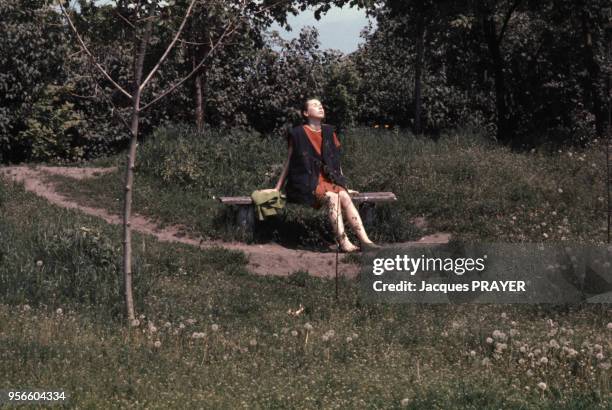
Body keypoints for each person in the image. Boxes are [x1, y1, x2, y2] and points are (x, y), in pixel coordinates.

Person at [273, 98, 379, 253]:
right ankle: (344, 242)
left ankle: (365, 241)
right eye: (315, 105)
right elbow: (289, 161)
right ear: (305, 113)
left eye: (321, 104)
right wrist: (277, 188)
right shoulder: (297, 133)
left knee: (344, 196)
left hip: (328, 180)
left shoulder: (329, 131)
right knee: (332, 197)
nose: (320, 106)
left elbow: (336, 162)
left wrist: (343, 186)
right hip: (306, 181)